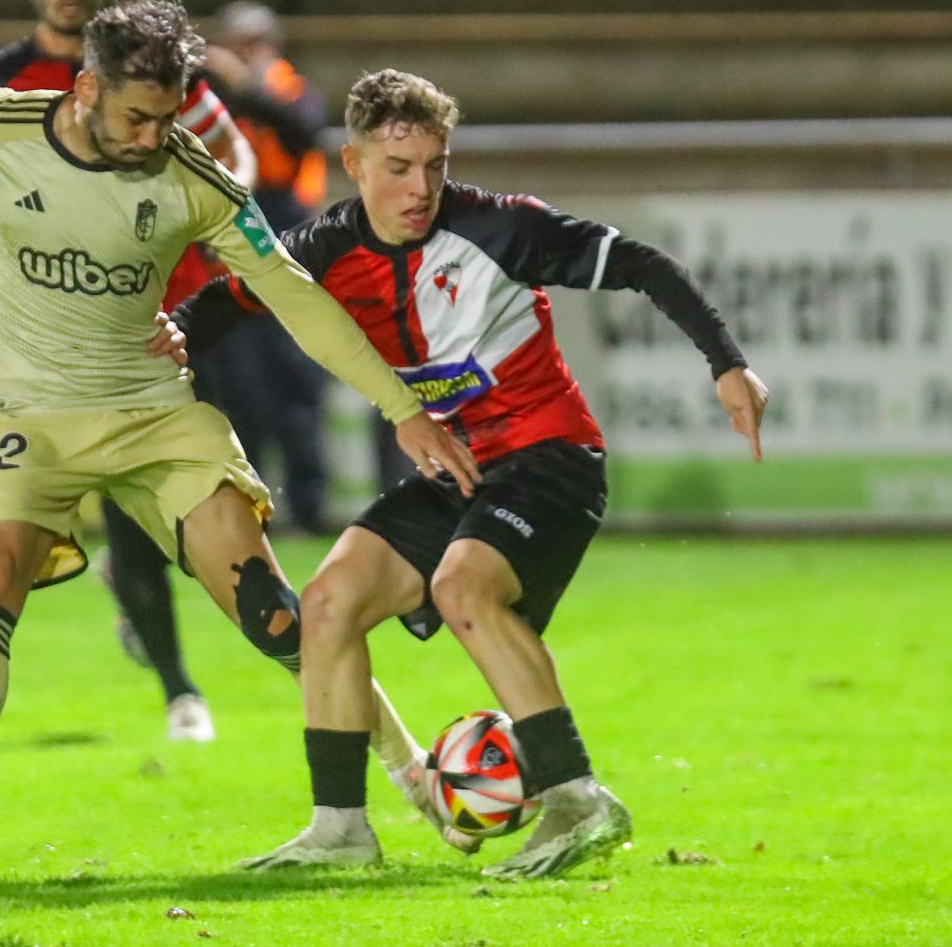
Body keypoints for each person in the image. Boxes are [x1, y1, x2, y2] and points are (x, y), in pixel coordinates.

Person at [0, 0, 481, 871]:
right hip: (22, 416)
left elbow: (297, 295)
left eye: (168, 117)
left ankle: (415, 779)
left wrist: (401, 409)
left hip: (152, 415)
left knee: (272, 616)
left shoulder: (192, 178)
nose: (153, 136)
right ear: (85, 89)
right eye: (135, 117)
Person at [174, 69, 770, 879]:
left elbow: (642, 262)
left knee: (464, 586)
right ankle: (339, 827)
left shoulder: (498, 228)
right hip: (456, 470)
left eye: (434, 165)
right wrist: (156, 348)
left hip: (550, 458)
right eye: (398, 168)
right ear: (353, 162)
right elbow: (223, 306)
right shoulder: (321, 249)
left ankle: (575, 797)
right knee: (327, 602)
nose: (420, 188)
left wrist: (726, 364)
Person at [0, 0, 261, 740]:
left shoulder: (148, 65)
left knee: (200, 513)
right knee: (126, 518)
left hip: (169, 323)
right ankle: (182, 691)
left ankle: (181, 659)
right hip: (54, 347)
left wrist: (228, 221)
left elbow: (235, 151)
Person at [204, 2, 333, 534]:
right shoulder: (210, 105)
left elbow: (304, 136)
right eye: (235, 45)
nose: (243, 56)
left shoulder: (293, 94)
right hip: (231, 236)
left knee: (295, 381)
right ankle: (250, 502)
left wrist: (245, 89)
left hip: (286, 232)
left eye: (252, 45)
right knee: (240, 386)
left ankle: (308, 507)